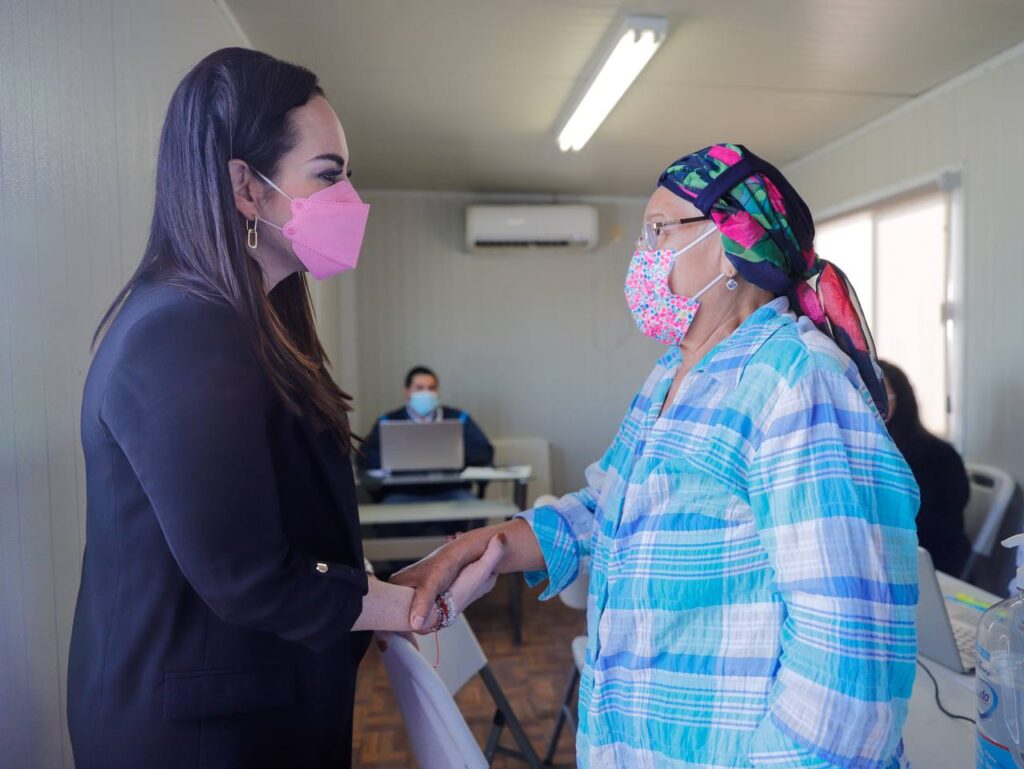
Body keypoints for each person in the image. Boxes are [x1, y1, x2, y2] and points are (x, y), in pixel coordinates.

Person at [393, 144, 921, 769]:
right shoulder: (674, 373)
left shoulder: (797, 382)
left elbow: (847, 664)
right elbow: (608, 507)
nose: (642, 255)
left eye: (659, 231)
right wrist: (489, 546)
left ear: (729, 241)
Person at [67, 48, 503, 769]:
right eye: (328, 175)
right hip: (198, 733)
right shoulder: (180, 331)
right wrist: (412, 603)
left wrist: (393, 590)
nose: (350, 199)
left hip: (248, 701)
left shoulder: (243, 321)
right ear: (247, 186)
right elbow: (246, 573)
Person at [880, 359, 971, 575]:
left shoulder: (933, 455)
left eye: (879, 397)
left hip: (929, 568)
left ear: (901, 398)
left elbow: (933, 533)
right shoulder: (880, 451)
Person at [359, 365, 495, 502]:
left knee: (470, 505)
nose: (426, 393)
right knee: (390, 507)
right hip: (402, 491)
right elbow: (365, 456)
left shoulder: (459, 418)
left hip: (451, 489)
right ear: (407, 392)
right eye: (419, 388)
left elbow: (484, 451)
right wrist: (395, 460)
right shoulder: (388, 421)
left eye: (431, 388)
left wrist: (456, 455)